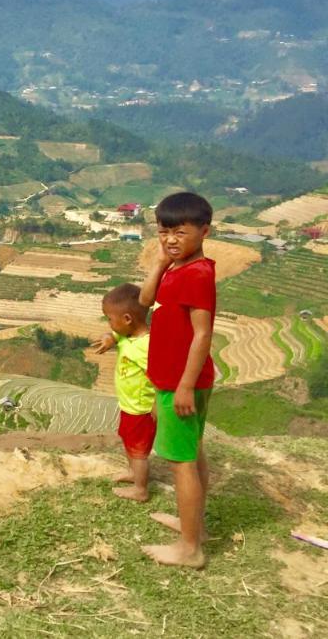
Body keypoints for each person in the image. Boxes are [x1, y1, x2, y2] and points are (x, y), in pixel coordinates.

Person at [137, 191, 216, 568]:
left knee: (182, 462)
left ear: (204, 231)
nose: (170, 239)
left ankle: (190, 548)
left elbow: (202, 334)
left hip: (183, 382)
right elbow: (145, 300)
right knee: (193, 452)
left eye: (180, 232)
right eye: (163, 231)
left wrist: (183, 385)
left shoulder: (197, 275)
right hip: (174, 379)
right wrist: (158, 263)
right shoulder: (178, 267)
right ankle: (193, 528)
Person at [91, 283, 156, 502]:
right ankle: (133, 473)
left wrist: (156, 405)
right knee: (128, 441)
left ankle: (141, 489)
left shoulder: (147, 347)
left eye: (110, 319)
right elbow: (118, 335)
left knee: (138, 450)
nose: (109, 323)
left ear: (127, 319)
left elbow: (160, 376)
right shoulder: (129, 335)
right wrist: (110, 337)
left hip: (140, 410)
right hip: (129, 406)